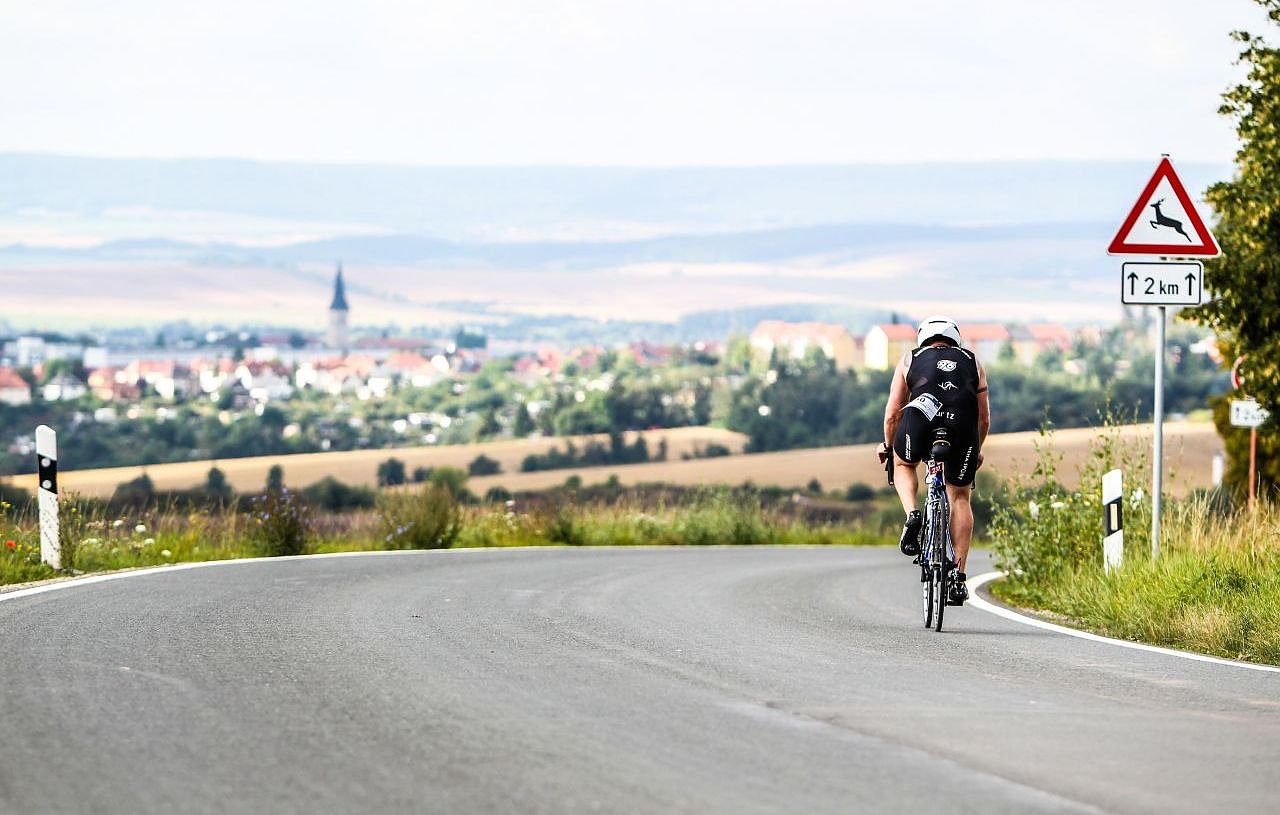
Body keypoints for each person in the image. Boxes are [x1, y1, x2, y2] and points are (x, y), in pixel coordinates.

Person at [876, 316, 990, 604]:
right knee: (960, 497)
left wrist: (888, 447)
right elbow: (984, 418)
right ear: (956, 339)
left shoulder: (909, 359)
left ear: (922, 338)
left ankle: (912, 514)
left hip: (920, 421)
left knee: (903, 464)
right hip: (962, 428)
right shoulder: (973, 361)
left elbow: (893, 413)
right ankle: (958, 578)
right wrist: (975, 449)